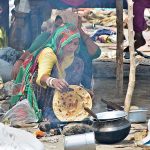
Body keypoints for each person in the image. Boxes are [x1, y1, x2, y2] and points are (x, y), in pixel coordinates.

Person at [10, 23, 85, 124]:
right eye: (68, 42)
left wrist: (82, 91)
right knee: (51, 76)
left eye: (75, 44)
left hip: (54, 90)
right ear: (59, 41)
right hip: (36, 91)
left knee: (79, 63)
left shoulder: (71, 57)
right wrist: (53, 81)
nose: (72, 47)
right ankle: (44, 112)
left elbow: (69, 78)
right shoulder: (48, 53)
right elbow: (42, 77)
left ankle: (59, 109)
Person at [12, 14, 101, 89]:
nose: (58, 30)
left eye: (62, 27)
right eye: (56, 26)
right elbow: (42, 75)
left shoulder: (76, 47)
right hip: (42, 89)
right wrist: (52, 81)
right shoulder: (48, 49)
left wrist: (83, 90)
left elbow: (96, 53)